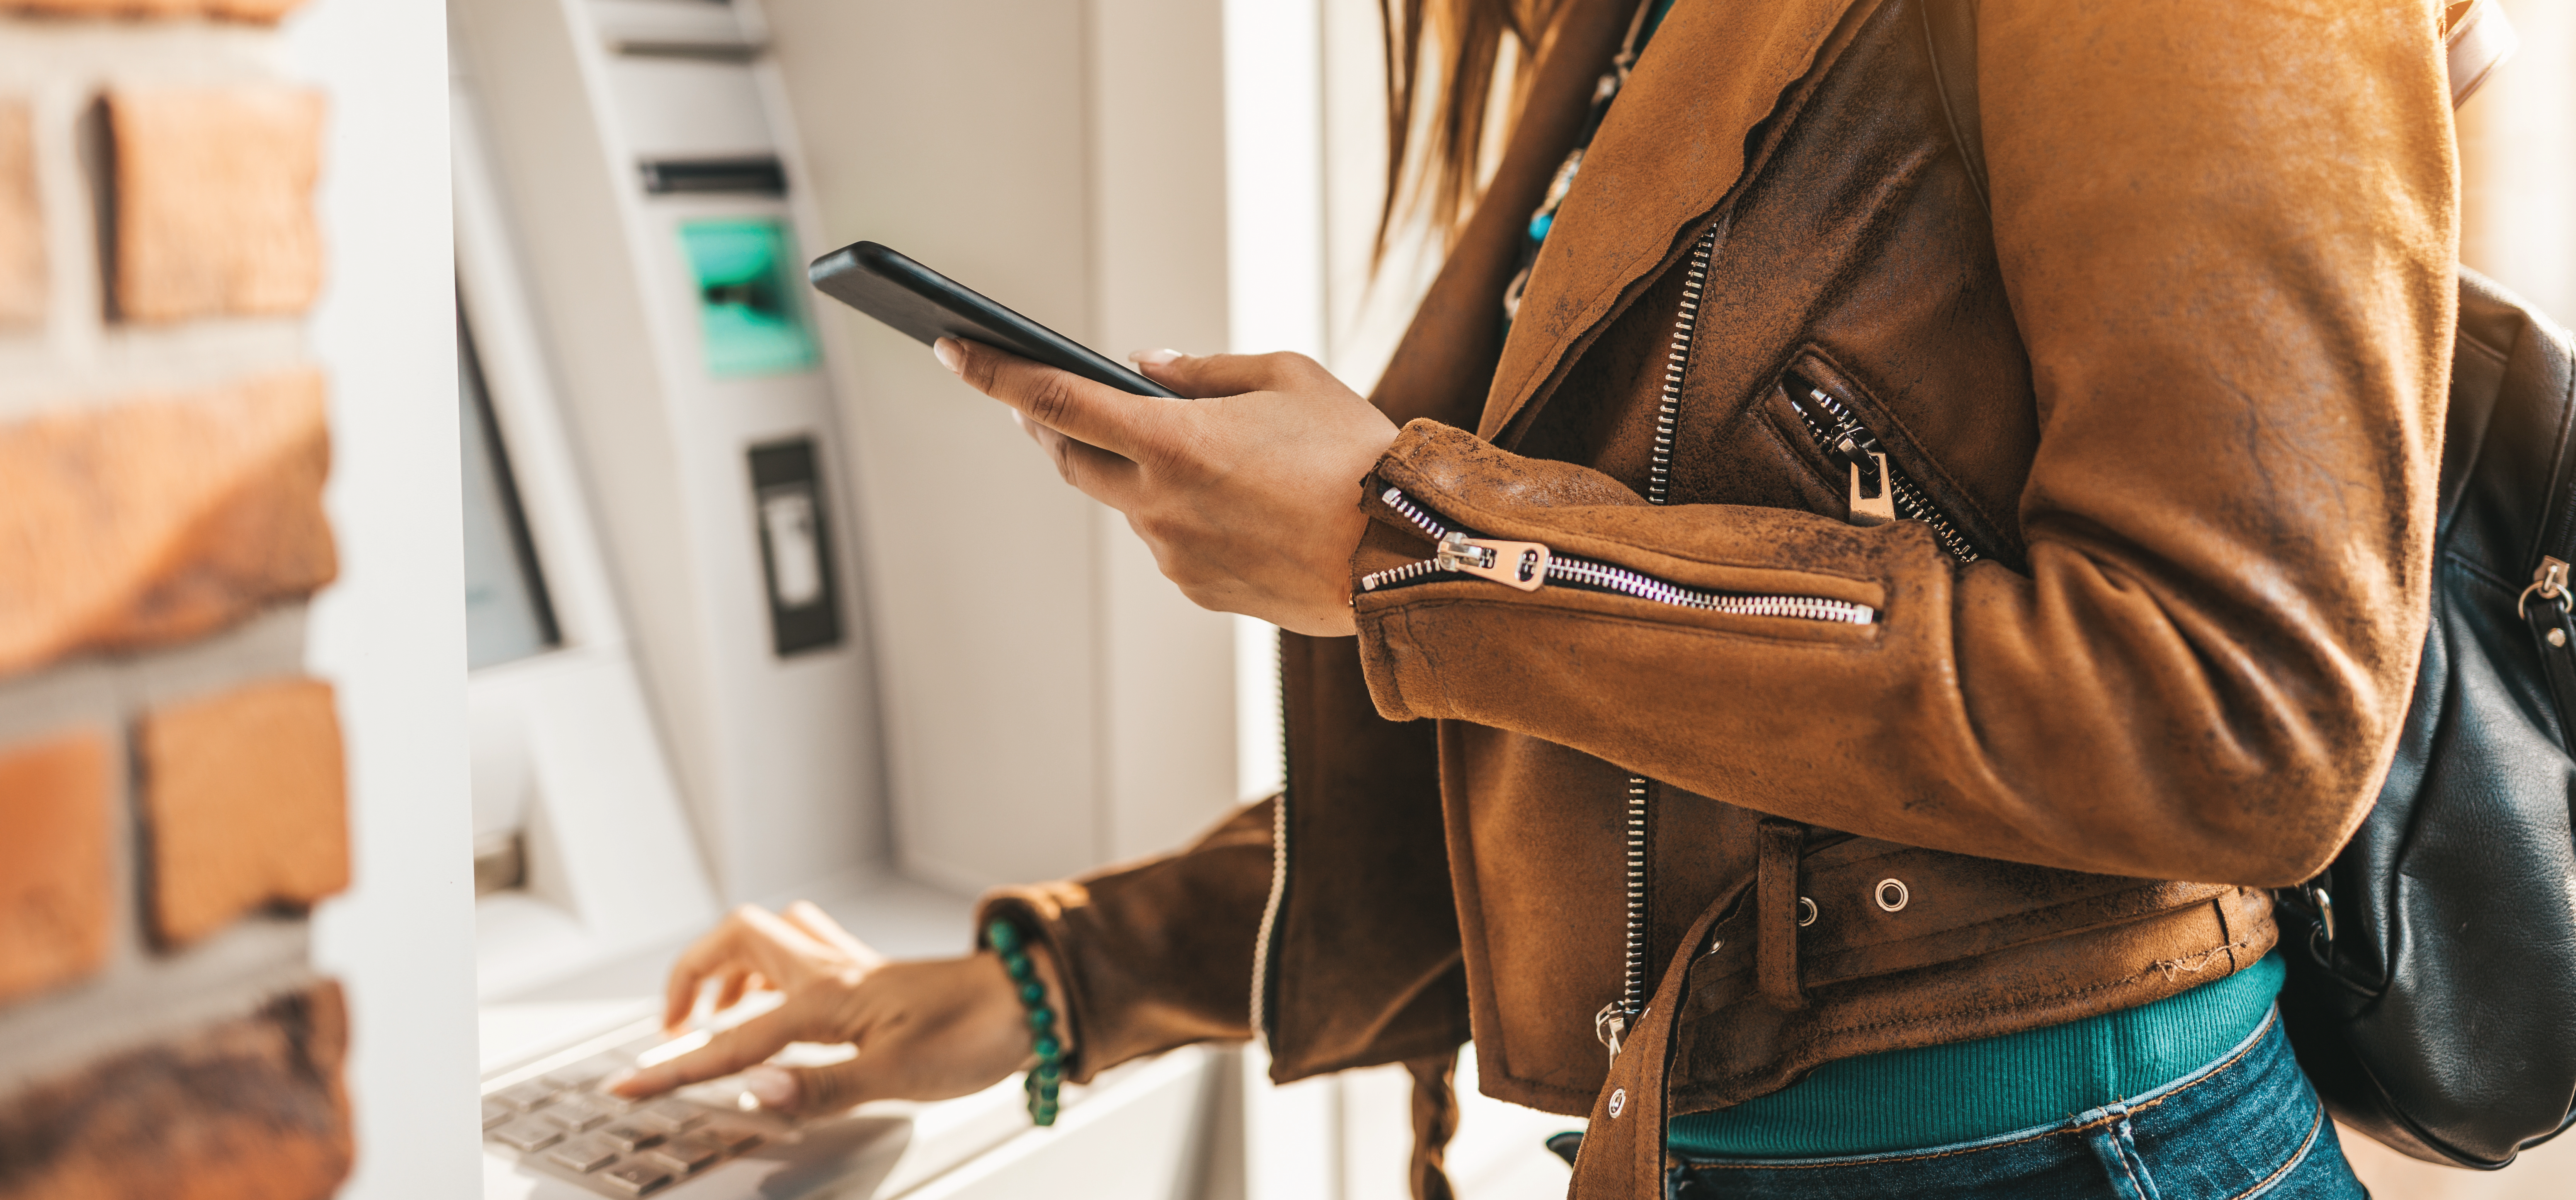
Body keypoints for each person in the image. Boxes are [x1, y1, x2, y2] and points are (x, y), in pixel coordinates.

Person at [616, 0, 2459, 1194]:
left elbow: (2243, 709)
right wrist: (1063, 977)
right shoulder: (1629, 28)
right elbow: (1647, 746)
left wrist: (1406, 547)